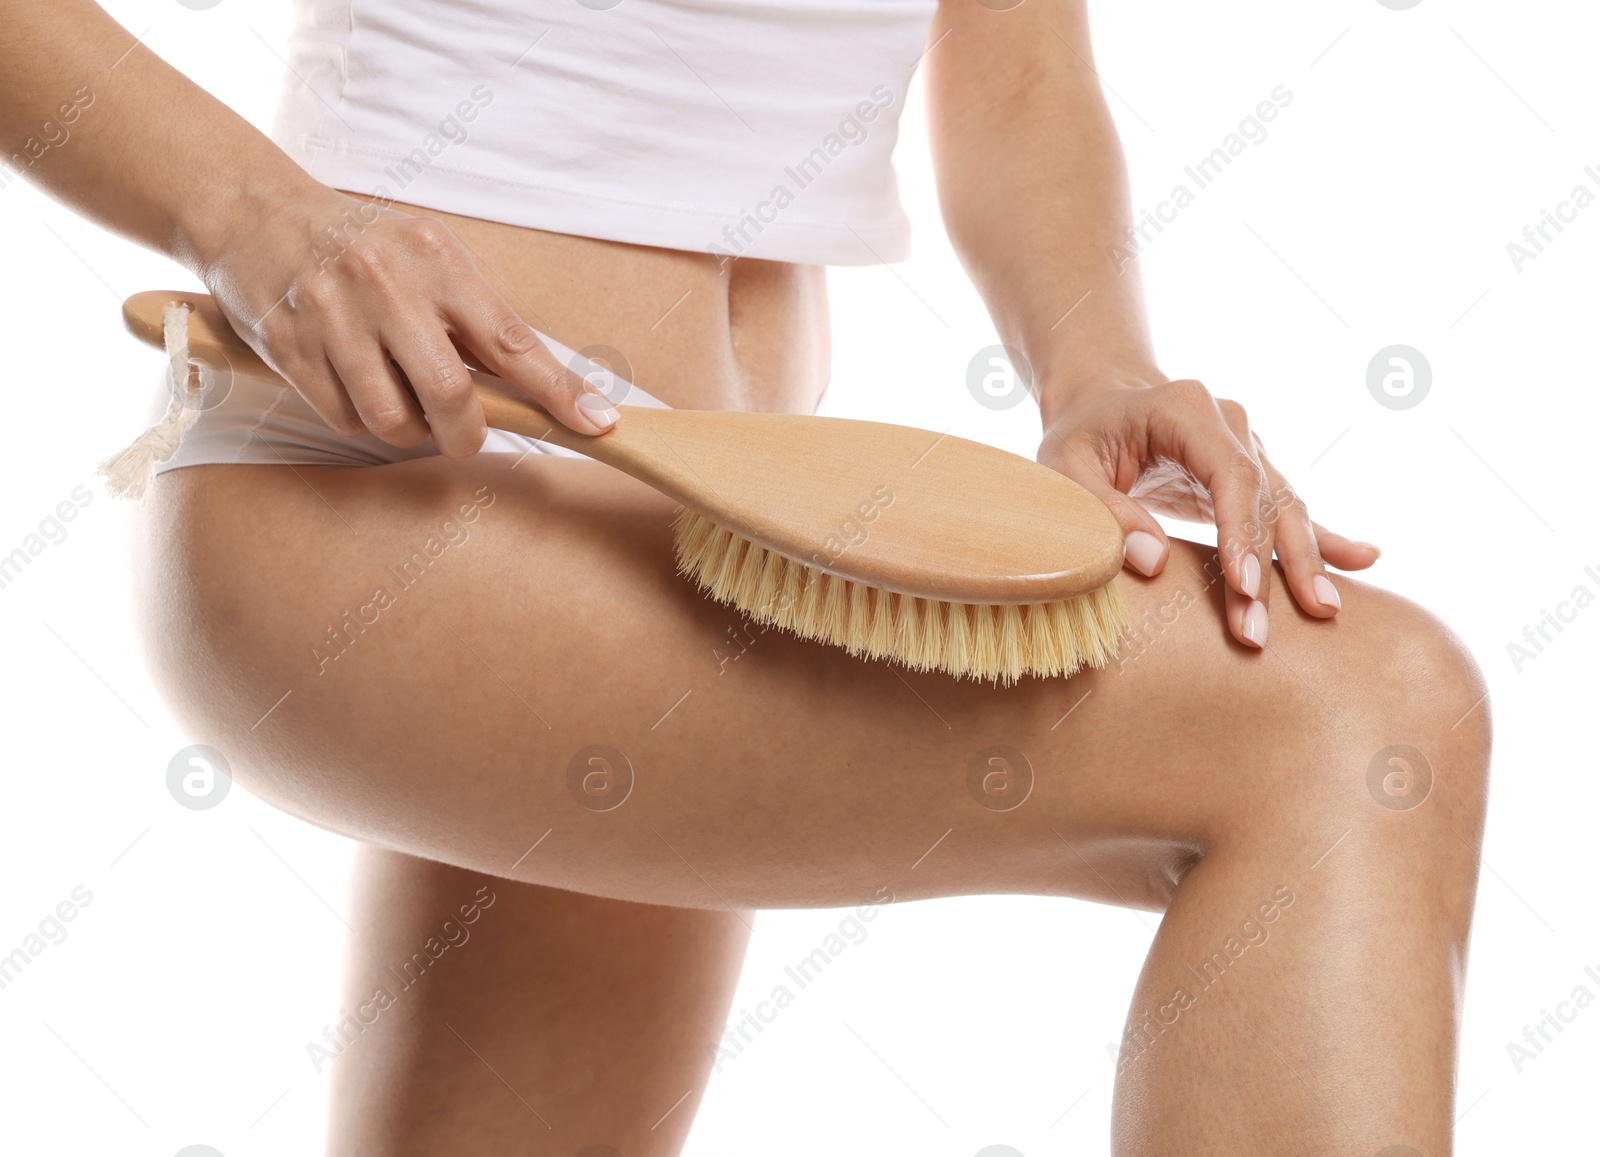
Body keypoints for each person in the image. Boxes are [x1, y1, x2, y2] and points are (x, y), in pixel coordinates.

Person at [3, 0, 1490, 1152]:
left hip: (701, 504)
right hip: (414, 472)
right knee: (1362, 718)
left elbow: (1014, 61)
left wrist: (1096, 366)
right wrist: (247, 210)